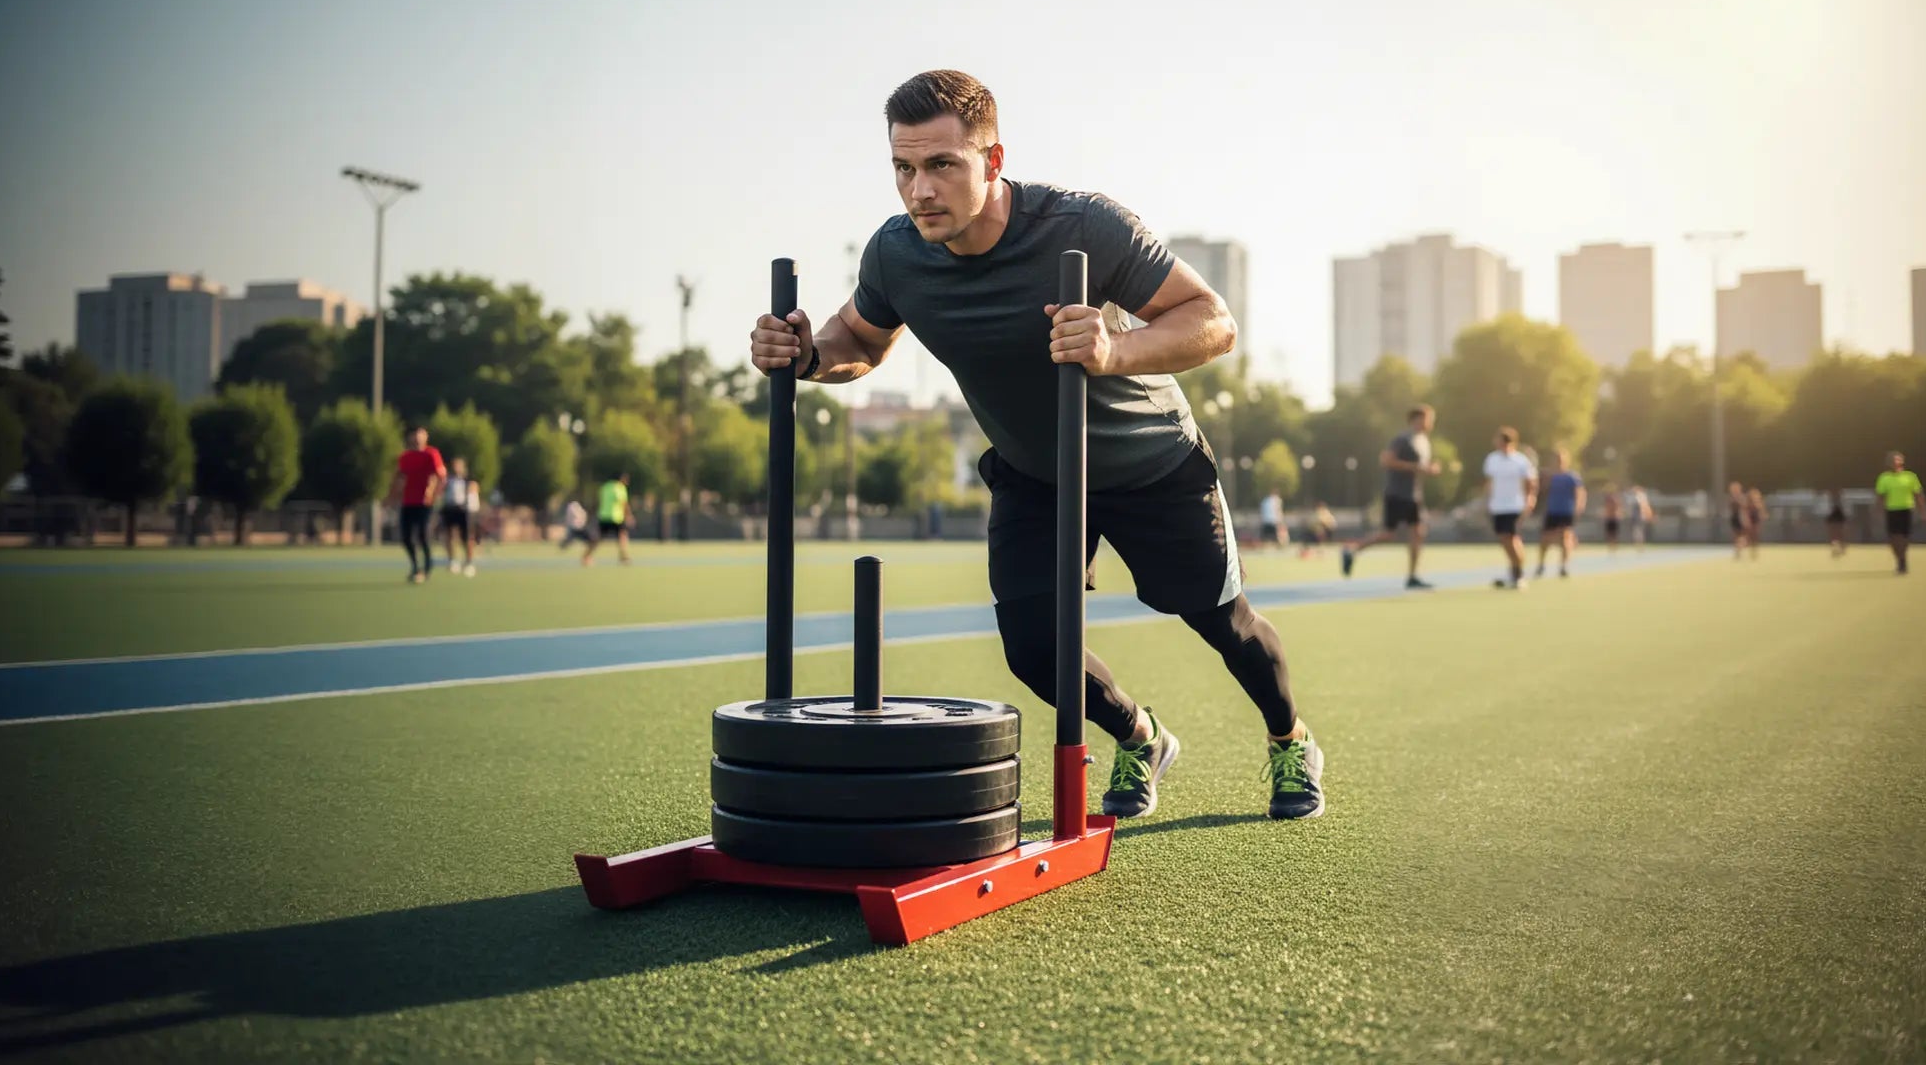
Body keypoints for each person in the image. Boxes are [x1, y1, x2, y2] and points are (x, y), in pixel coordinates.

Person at [748, 70, 1322, 820]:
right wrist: (810, 356)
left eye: (942, 166)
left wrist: (1115, 350)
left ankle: (1290, 738)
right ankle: (1140, 736)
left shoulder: (1083, 226)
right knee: (1032, 647)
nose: (920, 190)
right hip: (1036, 472)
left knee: (1224, 623)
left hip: (1151, 463)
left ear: (993, 161)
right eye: (903, 168)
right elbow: (858, 335)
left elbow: (1212, 319)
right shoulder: (895, 256)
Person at [1340, 404, 1442, 589]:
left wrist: (1430, 470)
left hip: (1414, 495)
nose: (1430, 423)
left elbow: (1421, 468)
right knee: (1387, 534)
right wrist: (1416, 467)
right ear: (1416, 420)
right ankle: (1352, 551)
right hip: (1396, 493)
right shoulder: (1403, 439)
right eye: (1427, 419)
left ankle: (1412, 576)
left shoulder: (1424, 441)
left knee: (1418, 533)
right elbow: (1386, 460)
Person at [387, 426, 445, 583]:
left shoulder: (431, 454)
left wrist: (434, 494)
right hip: (408, 501)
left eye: (421, 436)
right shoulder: (406, 457)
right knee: (405, 537)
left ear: (425, 437)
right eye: (415, 436)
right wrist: (390, 498)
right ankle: (415, 566)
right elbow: (398, 478)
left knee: (422, 534)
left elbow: (441, 476)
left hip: (425, 503)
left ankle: (427, 567)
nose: (417, 439)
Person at [1481, 427, 1537, 589]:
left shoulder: (1520, 460)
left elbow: (1530, 482)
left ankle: (1518, 573)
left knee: (1511, 537)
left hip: (1514, 505)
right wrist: (1486, 501)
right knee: (1504, 539)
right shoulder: (1492, 459)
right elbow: (1489, 482)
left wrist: (1530, 499)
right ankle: (1513, 570)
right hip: (1497, 506)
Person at [1534, 447, 1586, 579]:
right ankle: (1541, 565)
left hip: (1566, 511)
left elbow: (1580, 493)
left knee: (1565, 538)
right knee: (1545, 539)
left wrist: (1578, 507)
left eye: (1561, 459)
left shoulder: (1572, 476)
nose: (1558, 462)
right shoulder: (1550, 476)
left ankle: (1563, 566)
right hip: (1552, 510)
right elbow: (1541, 491)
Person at [1873, 452, 1926, 575]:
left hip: (1906, 509)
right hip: (1891, 510)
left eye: (1896, 460)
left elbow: (1918, 495)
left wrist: (1923, 512)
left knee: (1904, 537)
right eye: (1891, 460)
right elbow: (1880, 497)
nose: (1894, 462)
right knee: (1893, 538)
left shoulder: (1910, 477)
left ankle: (1902, 560)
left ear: (1901, 461)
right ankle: (1899, 558)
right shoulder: (1884, 478)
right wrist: (1876, 512)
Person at [438, 457, 481, 577]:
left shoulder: (469, 480)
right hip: (451, 509)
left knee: (467, 537)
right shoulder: (448, 480)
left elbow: (474, 490)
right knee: (449, 535)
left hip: (465, 511)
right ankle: (452, 561)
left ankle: (469, 562)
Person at [582, 472, 633, 567]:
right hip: (616, 517)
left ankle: (586, 556)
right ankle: (623, 557)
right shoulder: (619, 487)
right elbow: (624, 503)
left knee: (597, 539)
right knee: (622, 536)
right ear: (621, 479)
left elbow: (600, 501)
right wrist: (629, 516)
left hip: (603, 516)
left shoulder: (605, 487)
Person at [1629, 484, 1655, 553]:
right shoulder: (1635, 497)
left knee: (1638, 532)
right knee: (1637, 532)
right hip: (1637, 517)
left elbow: (1645, 506)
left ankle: (1640, 546)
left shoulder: (1641, 496)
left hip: (1639, 517)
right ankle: (1639, 546)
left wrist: (1649, 515)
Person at [1602, 480, 1625, 555]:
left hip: (1614, 518)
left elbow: (1618, 507)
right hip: (1609, 518)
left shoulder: (1616, 499)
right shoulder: (1607, 499)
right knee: (1609, 533)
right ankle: (1610, 547)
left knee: (1614, 534)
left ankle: (1614, 548)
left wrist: (1619, 513)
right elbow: (1606, 508)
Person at [1727, 481, 1749, 559]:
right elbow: (1730, 507)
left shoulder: (1742, 497)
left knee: (1742, 535)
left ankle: (1742, 545)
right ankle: (1737, 552)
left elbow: (1745, 507)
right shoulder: (1731, 497)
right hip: (1734, 518)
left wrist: (1746, 519)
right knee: (1736, 536)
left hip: (1741, 518)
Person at [1745, 487, 1768, 560]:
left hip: (1756, 520)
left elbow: (1762, 510)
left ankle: (1754, 551)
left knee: (1755, 536)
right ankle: (1748, 548)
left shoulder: (1759, 502)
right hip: (1751, 519)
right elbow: (1746, 511)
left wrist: (1764, 514)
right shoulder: (1749, 503)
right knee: (1750, 536)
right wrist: (1746, 520)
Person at [1825, 488, 1848, 557]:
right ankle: (1836, 545)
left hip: (1837, 516)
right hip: (1835, 516)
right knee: (1835, 531)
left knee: (1838, 531)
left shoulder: (1839, 502)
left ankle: (1839, 545)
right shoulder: (1831, 502)